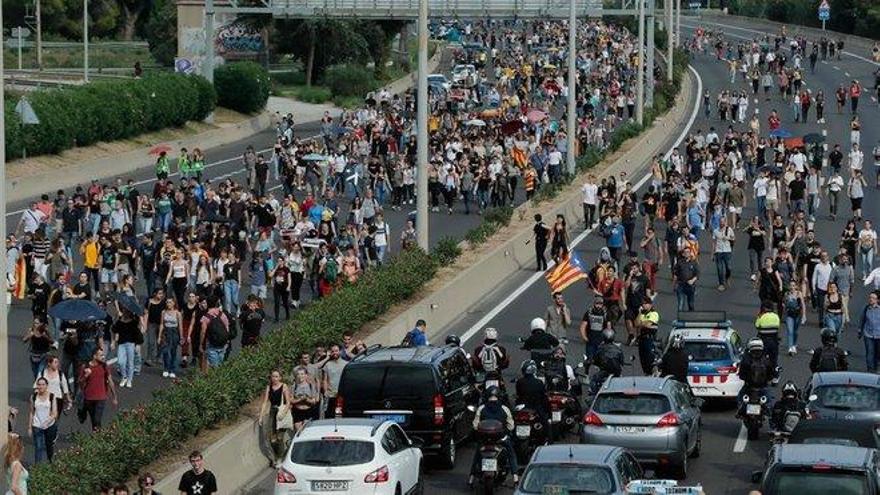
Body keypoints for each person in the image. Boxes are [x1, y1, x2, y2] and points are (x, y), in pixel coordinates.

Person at [468, 386, 518, 486]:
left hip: (484, 440)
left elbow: (475, 425)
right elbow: (511, 426)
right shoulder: (504, 408)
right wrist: (505, 432)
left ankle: (471, 478)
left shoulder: (481, 408)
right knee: (511, 454)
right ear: (499, 396)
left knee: (477, 455)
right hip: (501, 439)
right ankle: (515, 477)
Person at [78, 347, 117, 431]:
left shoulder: (104, 366)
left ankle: (98, 437)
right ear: (94, 356)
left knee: (97, 419)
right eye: (101, 355)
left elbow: (110, 381)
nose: (103, 357)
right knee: (94, 420)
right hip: (89, 398)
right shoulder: (86, 366)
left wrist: (114, 397)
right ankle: (96, 435)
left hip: (101, 398)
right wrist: (85, 376)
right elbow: (80, 382)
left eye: (103, 355)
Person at [259, 370, 294, 464]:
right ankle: (277, 456)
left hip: (281, 412)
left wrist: (283, 413)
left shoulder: (284, 386)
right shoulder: (269, 387)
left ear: (280, 377)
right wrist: (261, 416)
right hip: (273, 412)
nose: (274, 378)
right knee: (272, 439)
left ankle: (280, 458)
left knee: (279, 437)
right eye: (273, 376)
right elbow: (265, 402)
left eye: (276, 376)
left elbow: (288, 402)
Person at [29, 377, 58, 463]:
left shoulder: (52, 396)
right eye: (39, 384)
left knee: (49, 445)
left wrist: (48, 421)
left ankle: (50, 461)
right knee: (38, 447)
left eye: (43, 384)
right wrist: (29, 427)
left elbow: (55, 413)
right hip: (37, 425)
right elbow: (31, 412)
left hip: (49, 425)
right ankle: (37, 469)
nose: (41, 386)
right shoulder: (33, 397)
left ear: (46, 386)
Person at [737, 338, 772, 406]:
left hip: (748, 387)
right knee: (770, 402)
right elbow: (771, 374)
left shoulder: (746, 360)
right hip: (763, 387)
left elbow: (741, 375)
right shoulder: (766, 359)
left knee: (739, 399)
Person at [514, 360, 549, 424]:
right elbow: (543, 397)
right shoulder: (539, 382)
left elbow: (518, 394)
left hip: (523, 406)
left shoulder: (520, 382)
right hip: (536, 407)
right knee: (546, 423)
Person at [755, 303, 782, 384]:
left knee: (761, 358)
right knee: (774, 359)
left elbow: (757, 325)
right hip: (774, 341)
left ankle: (762, 376)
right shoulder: (776, 316)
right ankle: (775, 376)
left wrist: (759, 316)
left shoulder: (762, 316)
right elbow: (778, 326)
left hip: (763, 341)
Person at [579, 296, 611, 361]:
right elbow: (583, 326)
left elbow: (608, 327)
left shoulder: (606, 313)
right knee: (589, 359)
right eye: (597, 304)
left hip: (601, 341)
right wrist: (584, 337)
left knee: (601, 360)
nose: (598, 306)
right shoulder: (589, 313)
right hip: (591, 340)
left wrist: (607, 339)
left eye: (600, 304)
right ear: (594, 304)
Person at [635, 298, 660, 375]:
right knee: (643, 360)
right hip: (641, 339)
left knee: (650, 359)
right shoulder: (642, 314)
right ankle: (646, 373)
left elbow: (648, 324)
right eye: (642, 304)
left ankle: (652, 373)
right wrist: (639, 314)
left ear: (650, 304)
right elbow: (636, 324)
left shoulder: (654, 313)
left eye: (645, 304)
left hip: (649, 339)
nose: (643, 305)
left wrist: (641, 324)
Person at [321, 344, 347, 418]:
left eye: (336, 351)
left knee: (339, 415)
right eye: (333, 351)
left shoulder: (346, 364)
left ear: (340, 351)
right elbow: (325, 380)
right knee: (330, 415)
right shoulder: (327, 365)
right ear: (330, 353)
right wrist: (325, 391)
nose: (335, 353)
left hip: (341, 396)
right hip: (330, 395)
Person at [859, 291, 880, 372]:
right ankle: (870, 371)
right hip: (868, 335)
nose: (871, 299)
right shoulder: (866, 308)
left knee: (878, 354)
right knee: (869, 354)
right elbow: (862, 319)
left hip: (879, 335)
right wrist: (860, 330)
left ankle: (877, 369)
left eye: (873, 298)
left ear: (877, 300)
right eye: (870, 297)